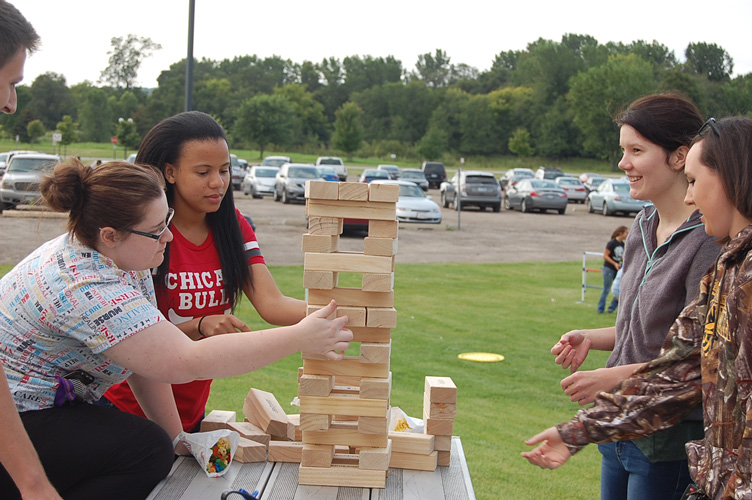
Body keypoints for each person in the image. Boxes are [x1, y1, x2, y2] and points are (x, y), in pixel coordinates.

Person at [0, 159, 351, 499]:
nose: (168, 235)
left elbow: (146, 357)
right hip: (14, 421)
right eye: (156, 230)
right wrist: (300, 337)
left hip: (43, 407)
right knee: (145, 452)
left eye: (166, 219)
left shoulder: (124, 258)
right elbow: (187, 360)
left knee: (155, 444)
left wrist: (176, 437)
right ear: (109, 234)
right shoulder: (85, 286)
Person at [523, 115, 752, 500]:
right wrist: (576, 432)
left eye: (694, 182)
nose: (689, 197)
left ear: (731, 178)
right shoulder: (727, 270)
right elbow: (674, 370)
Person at [104, 111, 308, 433]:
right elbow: (137, 341)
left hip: (190, 417)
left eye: (225, 170)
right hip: (127, 412)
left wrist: (348, 311)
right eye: (203, 172)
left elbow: (272, 305)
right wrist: (198, 325)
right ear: (170, 172)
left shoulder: (233, 226)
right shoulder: (144, 233)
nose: (218, 182)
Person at [598, 225, 628, 314]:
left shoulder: (622, 244)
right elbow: (605, 256)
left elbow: (619, 256)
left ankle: (611, 308)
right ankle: (600, 309)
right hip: (608, 268)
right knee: (606, 289)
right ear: (621, 233)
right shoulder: (612, 243)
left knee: (620, 288)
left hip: (617, 269)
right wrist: (614, 263)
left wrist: (624, 261)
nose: (627, 235)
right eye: (626, 233)